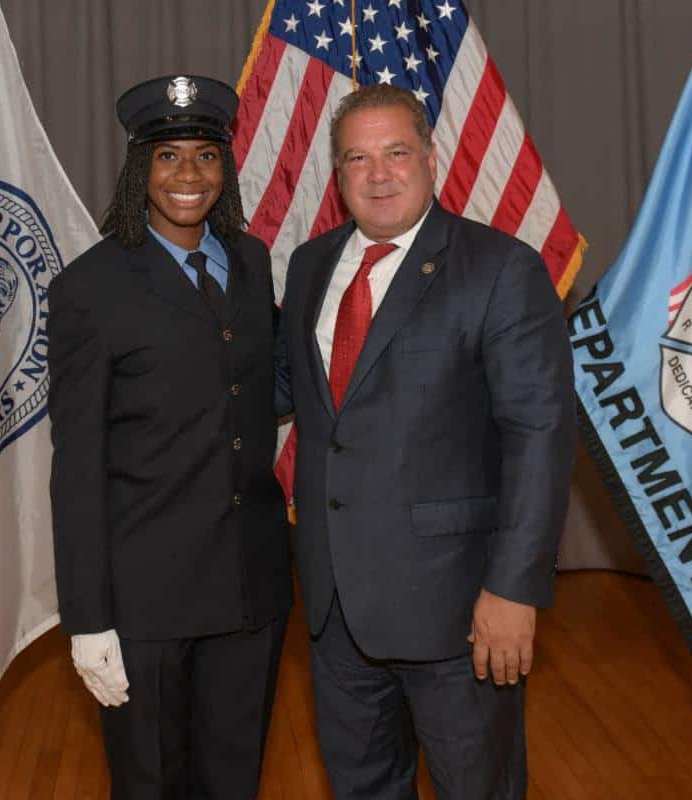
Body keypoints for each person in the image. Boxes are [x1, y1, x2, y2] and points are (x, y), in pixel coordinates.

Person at [276, 84, 576, 799]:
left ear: (432, 159)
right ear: (337, 172)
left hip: (459, 611)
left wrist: (512, 588)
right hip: (335, 609)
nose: (378, 174)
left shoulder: (500, 268)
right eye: (357, 158)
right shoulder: (311, 265)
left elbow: (538, 434)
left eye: (396, 152)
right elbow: (289, 394)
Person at [47, 74, 292, 799]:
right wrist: (88, 618)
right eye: (168, 155)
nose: (190, 173)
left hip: (252, 587)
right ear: (138, 170)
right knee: (152, 782)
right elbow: (78, 464)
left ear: (225, 167)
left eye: (207, 155)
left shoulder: (250, 263)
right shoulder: (90, 288)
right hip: (145, 600)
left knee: (233, 780)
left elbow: (250, 390)